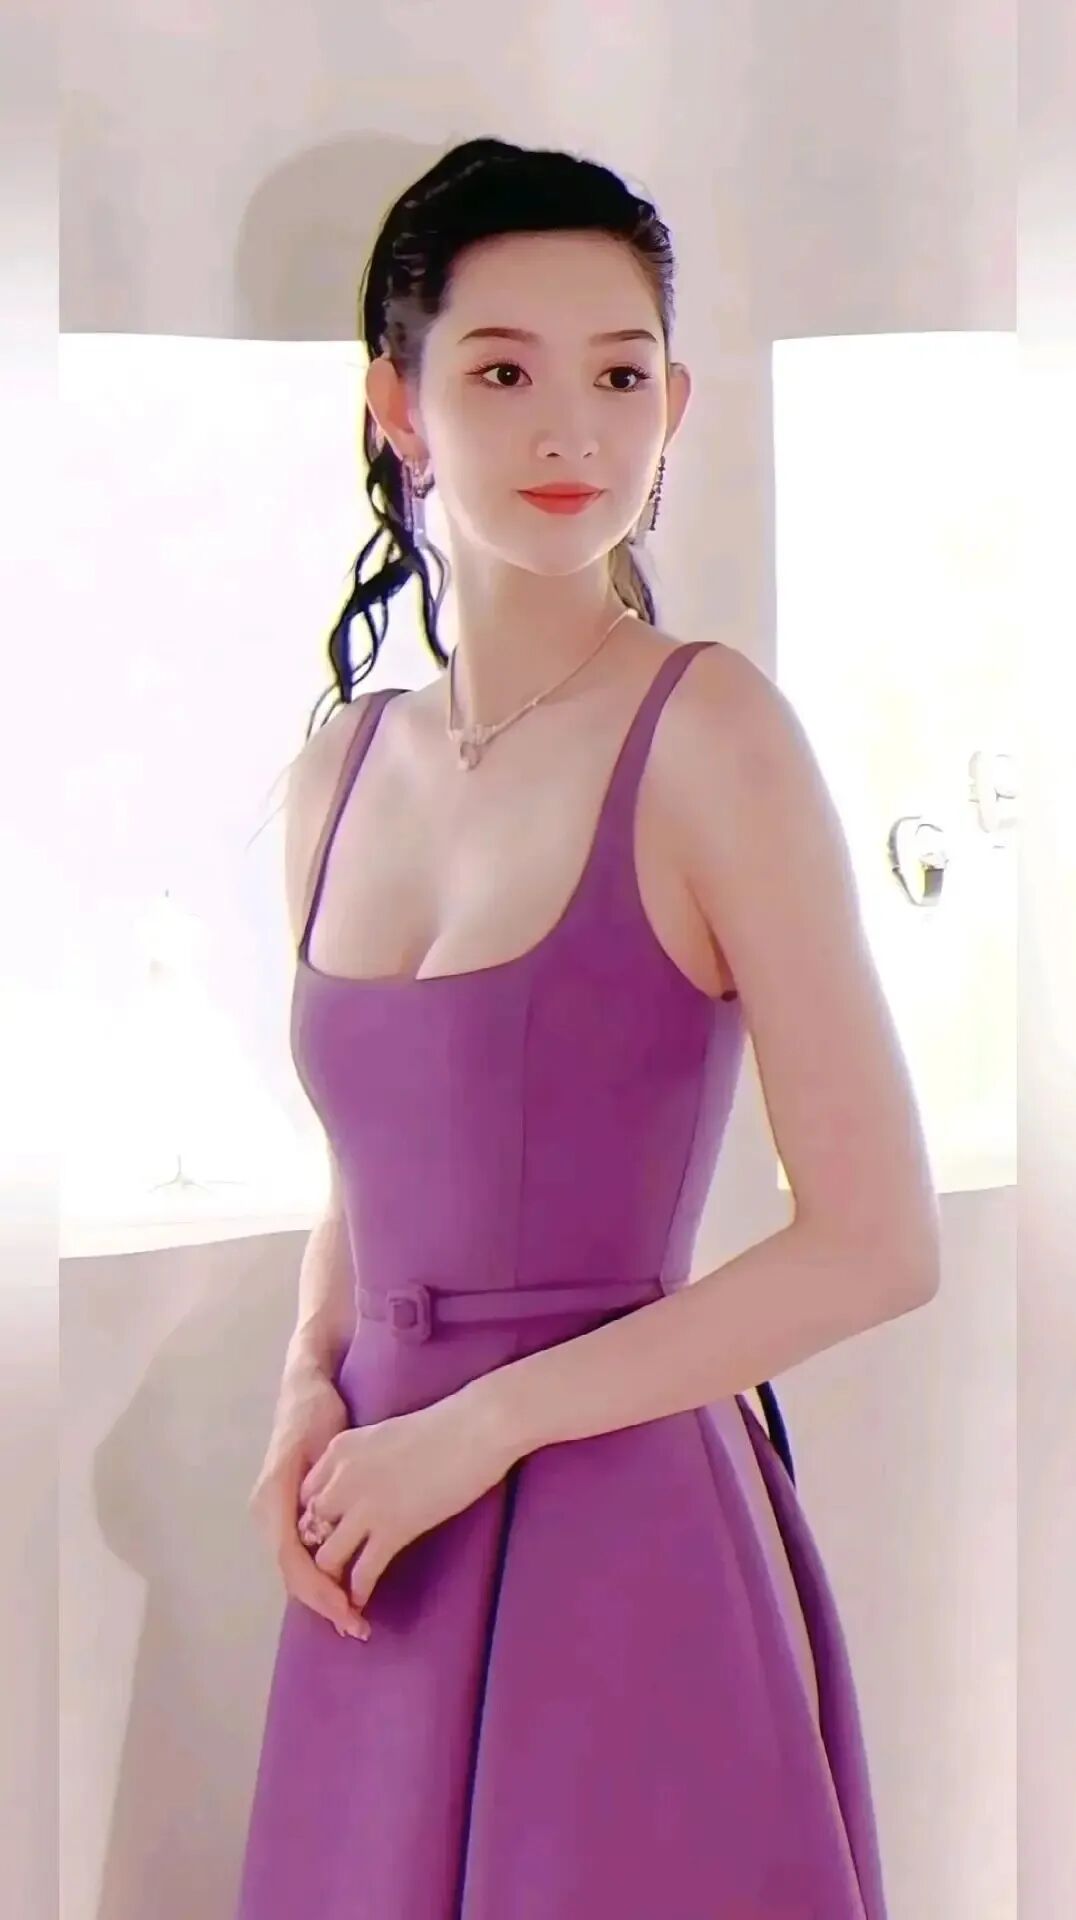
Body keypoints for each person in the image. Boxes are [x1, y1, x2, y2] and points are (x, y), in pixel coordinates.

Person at [237, 138, 939, 1919]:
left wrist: (477, 1431)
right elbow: (374, 1165)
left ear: (674, 404)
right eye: (502, 374)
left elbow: (876, 1243)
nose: (573, 430)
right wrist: (305, 1380)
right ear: (397, 406)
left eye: (621, 376)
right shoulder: (340, 772)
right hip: (375, 1534)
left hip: (615, 1531)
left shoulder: (713, 738)